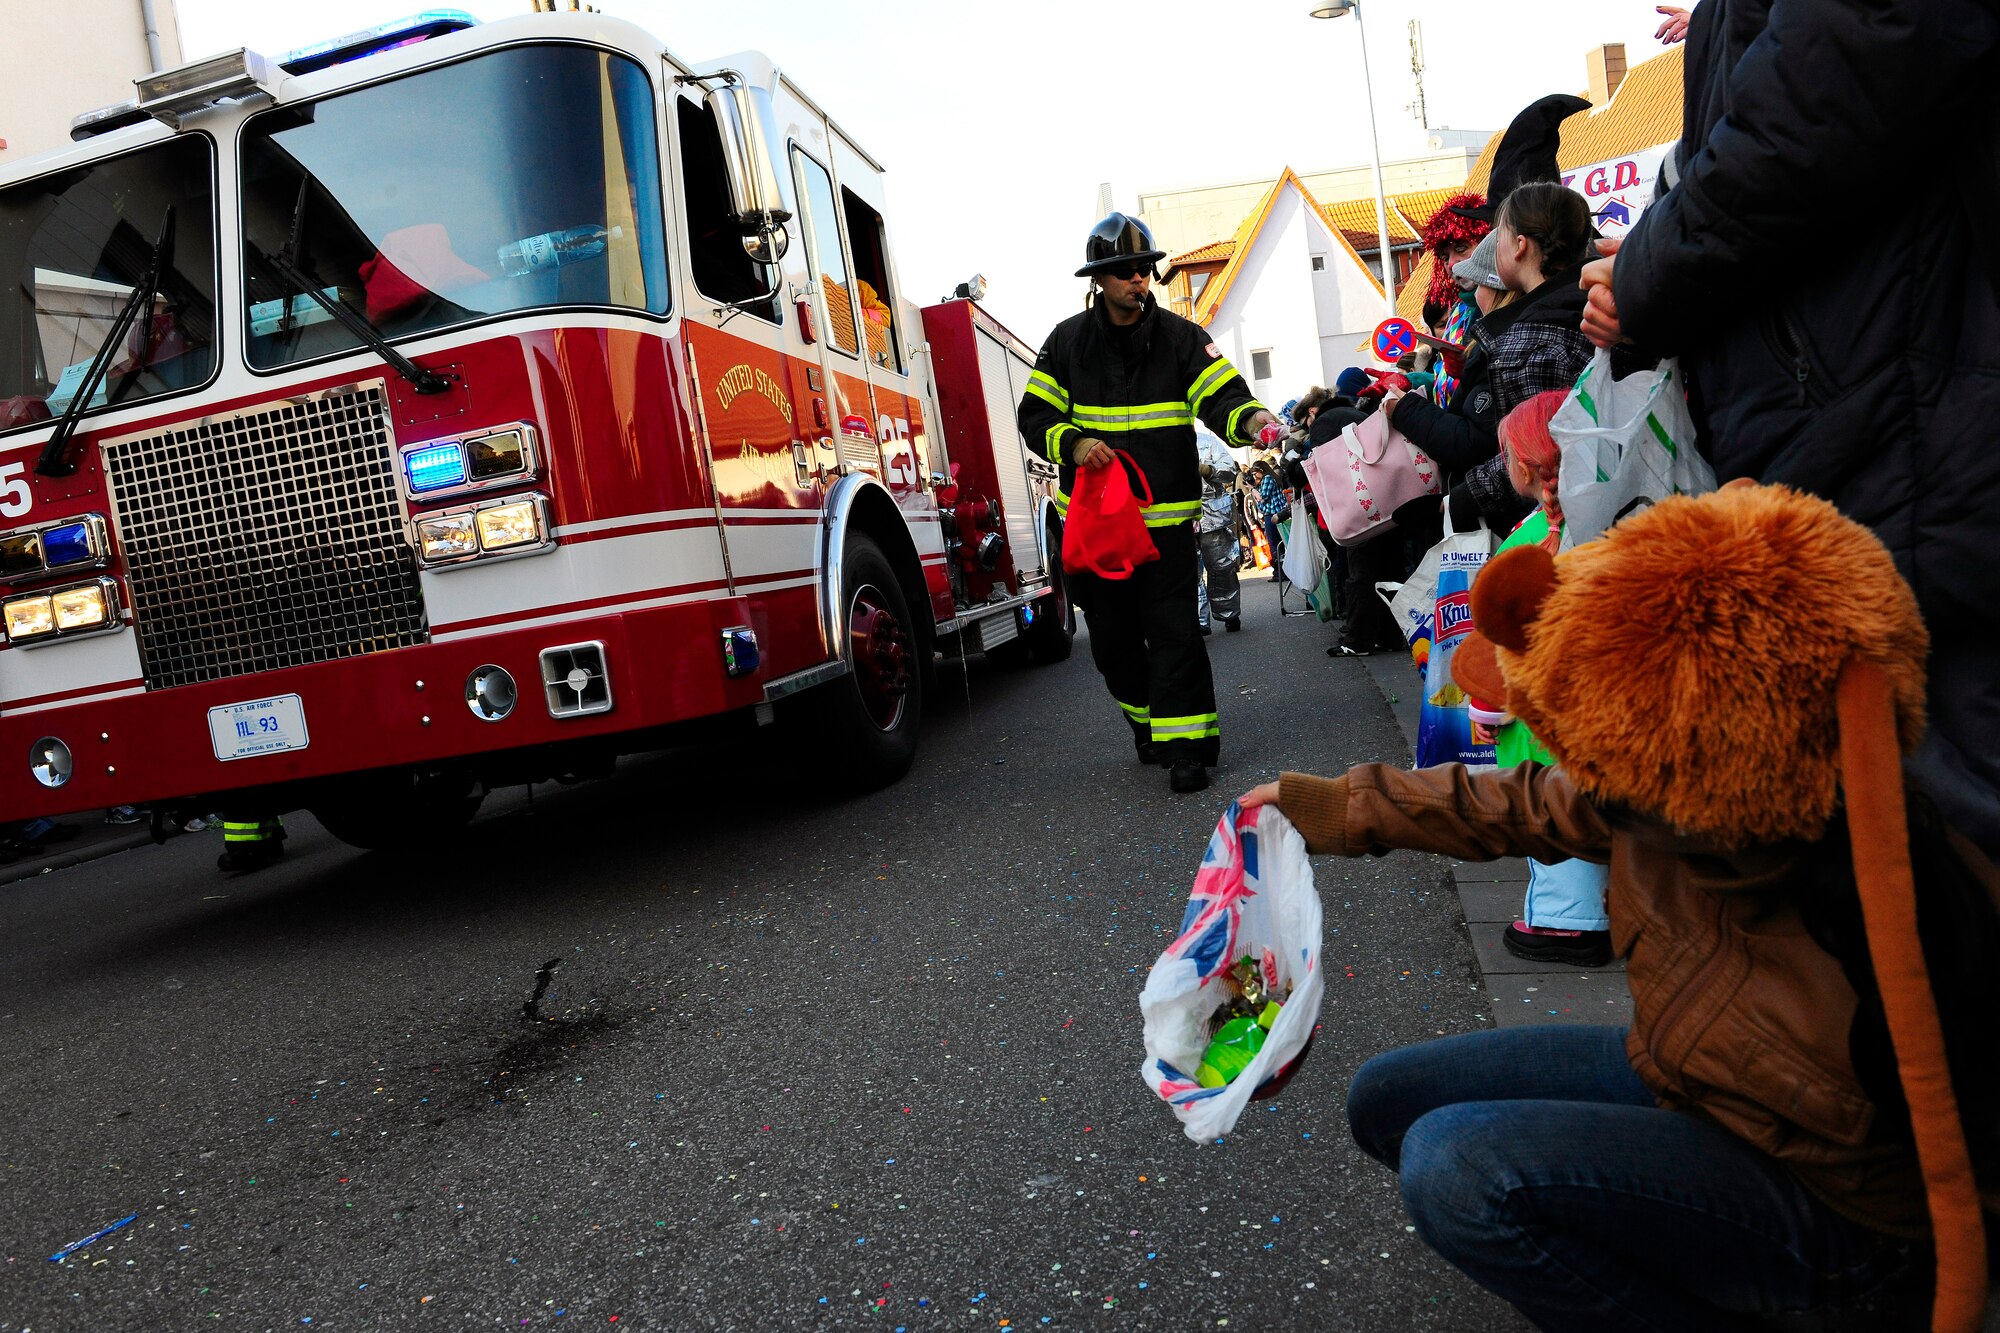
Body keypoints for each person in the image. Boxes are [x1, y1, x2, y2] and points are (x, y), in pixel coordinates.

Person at [1240, 483, 1993, 1332]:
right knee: (1386, 1096)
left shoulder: (1904, 873)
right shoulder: (1655, 797)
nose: (1590, 777)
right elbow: (1513, 802)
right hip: (1686, 1082)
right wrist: (1333, 805)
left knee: (1456, 1166)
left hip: (1828, 1203)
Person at [1581, 0, 2000, 858]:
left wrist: (1651, 272)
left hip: (1896, 424)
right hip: (1871, 409)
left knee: (1932, 846)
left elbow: (1827, 83)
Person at [1017, 213, 1276, 794]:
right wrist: (1075, 442)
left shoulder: (1182, 340)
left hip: (1164, 533)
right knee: (1112, 648)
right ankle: (1151, 727)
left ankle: (1188, 751)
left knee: (1175, 635)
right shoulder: (1066, 344)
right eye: (1127, 273)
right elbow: (1034, 417)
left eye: (1146, 271)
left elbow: (1223, 395)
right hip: (1097, 533)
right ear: (1100, 280)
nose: (1141, 281)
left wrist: (1253, 420)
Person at [1476, 390, 1611, 966]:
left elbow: (1501, 646)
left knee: (1550, 820)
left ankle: (1565, 922)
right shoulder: (1611, 518)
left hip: (1539, 723)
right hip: (1598, 713)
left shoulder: (1526, 545)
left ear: (1525, 467)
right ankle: (1611, 905)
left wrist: (1486, 705)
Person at [1193, 425, 1242, 635]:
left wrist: (1210, 470)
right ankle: (1198, 621)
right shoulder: (1162, 441)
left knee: (1222, 567)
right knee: (1188, 572)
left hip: (1213, 515)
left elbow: (1230, 470)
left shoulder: (1208, 441)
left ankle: (1229, 614)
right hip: (1180, 517)